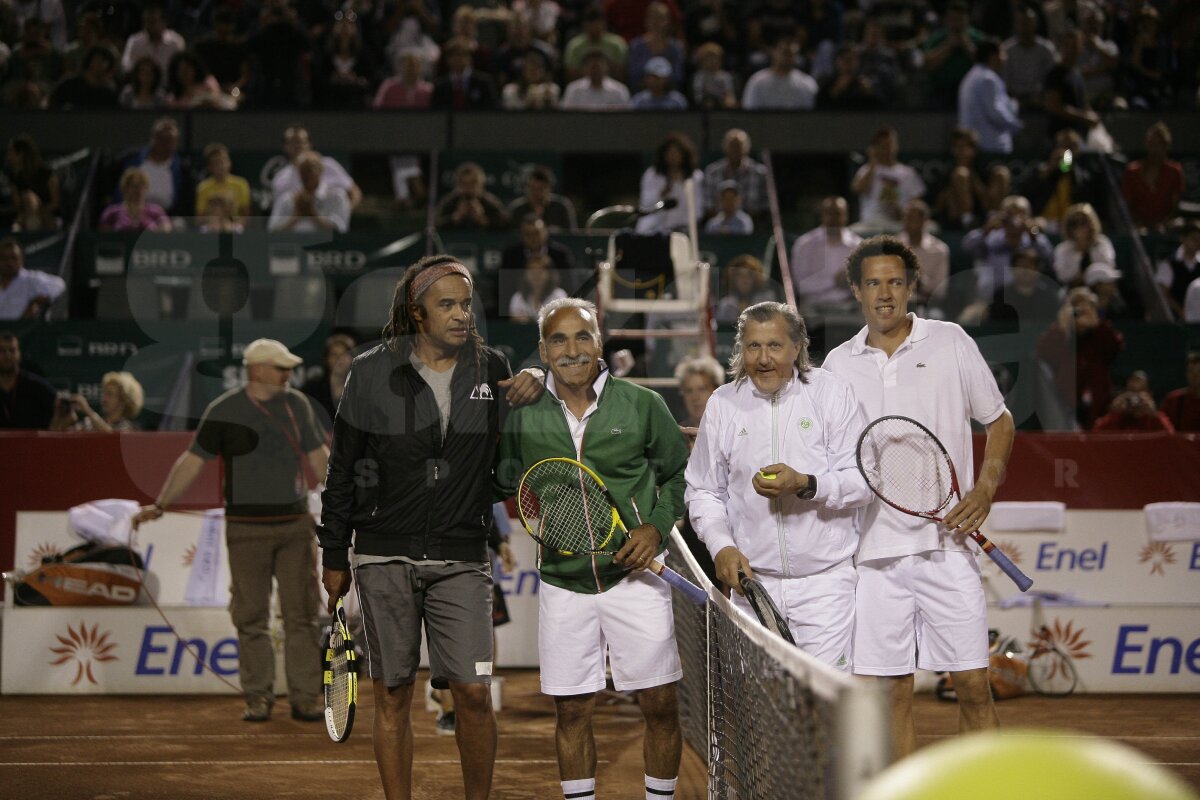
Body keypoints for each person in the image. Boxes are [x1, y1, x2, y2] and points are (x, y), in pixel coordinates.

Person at [318, 255, 544, 800]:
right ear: (417, 313)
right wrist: (333, 554)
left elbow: (509, 461)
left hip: (462, 555)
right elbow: (342, 468)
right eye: (447, 305)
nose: (462, 314)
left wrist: (540, 383)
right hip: (383, 555)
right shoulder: (370, 371)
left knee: (474, 694)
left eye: (466, 304)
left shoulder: (491, 367)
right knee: (393, 694)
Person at [822, 236, 1016, 761]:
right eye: (873, 283)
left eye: (894, 282)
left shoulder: (950, 340)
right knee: (892, 693)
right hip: (872, 555)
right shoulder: (836, 364)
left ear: (911, 287)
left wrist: (985, 488)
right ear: (856, 291)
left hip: (947, 547)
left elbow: (999, 420)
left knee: (972, 684)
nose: (884, 294)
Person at [495, 297, 689, 800]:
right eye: (558, 340)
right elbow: (501, 479)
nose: (572, 349)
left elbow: (679, 474)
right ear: (543, 351)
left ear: (600, 343)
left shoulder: (643, 404)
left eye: (583, 336)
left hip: (637, 578)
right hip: (563, 582)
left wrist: (656, 529)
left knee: (659, 703)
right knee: (572, 710)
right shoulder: (523, 414)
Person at [131, 339, 330, 723]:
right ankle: (258, 696)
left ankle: (305, 697)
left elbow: (319, 457)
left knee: (302, 615)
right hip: (246, 528)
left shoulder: (297, 405)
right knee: (251, 616)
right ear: (257, 370)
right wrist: (162, 503)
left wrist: (340, 498)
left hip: (294, 526)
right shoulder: (225, 410)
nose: (288, 375)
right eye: (281, 368)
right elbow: (192, 461)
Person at [687, 300, 870, 666]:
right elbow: (703, 491)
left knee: (823, 697)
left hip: (825, 585)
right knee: (762, 701)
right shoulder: (723, 403)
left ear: (797, 347)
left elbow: (863, 481)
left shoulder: (832, 393)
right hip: (752, 586)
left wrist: (806, 483)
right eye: (753, 346)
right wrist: (721, 546)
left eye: (774, 346)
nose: (763, 358)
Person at [1035, 286, 1125, 430]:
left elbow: (1114, 348)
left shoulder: (1101, 331)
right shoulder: (1059, 332)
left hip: (1097, 406)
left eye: (1086, 305)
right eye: (1075, 305)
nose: (1080, 310)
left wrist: (1097, 325)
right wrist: (1062, 327)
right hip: (1064, 407)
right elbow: (1043, 353)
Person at [961, 195, 1052, 304]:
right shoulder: (991, 238)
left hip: (1028, 298)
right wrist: (986, 229)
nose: (1014, 220)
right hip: (991, 299)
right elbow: (967, 247)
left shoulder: (1033, 239)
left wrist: (1032, 232)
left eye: (1020, 215)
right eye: (1009, 214)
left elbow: (1049, 256)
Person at [789, 196, 862, 309]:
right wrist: (834, 280)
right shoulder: (804, 245)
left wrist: (852, 281)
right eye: (829, 213)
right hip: (813, 308)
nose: (833, 218)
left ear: (846, 216)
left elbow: (865, 284)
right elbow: (800, 285)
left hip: (849, 307)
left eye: (838, 213)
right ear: (822, 215)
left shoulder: (858, 245)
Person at [270, 124, 362, 212]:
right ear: (285, 146)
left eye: (302, 142)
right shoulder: (280, 178)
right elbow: (279, 212)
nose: (298, 146)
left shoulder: (328, 165)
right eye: (293, 142)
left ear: (309, 144)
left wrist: (342, 215)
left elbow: (354, 192)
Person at [115, 117, 194, 219]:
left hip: (168, 218)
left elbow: (187, 204)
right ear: (153, 138)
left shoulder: (183, 169)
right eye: (161, 138)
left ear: (176, 142)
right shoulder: (130, 159)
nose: (164, 144)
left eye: (169, 139)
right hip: (129, 214)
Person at [850, 126, 925, 231]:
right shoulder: (867, 170)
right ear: (876, 148)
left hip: (900, 224)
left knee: (932, 228)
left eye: (891, 144)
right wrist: (872, 161)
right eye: (884, 145)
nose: (888, 149)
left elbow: (917, 202)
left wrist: (902, 213)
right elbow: (857, 189)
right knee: (852, 231)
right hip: (871, 224)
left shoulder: (908, 172)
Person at [957, 37, 1022, 154]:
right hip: (990, 146)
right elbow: (995, 113)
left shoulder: (973, 76)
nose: (1005, 58)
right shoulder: (987, 79)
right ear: (993, 56)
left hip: (979, 145)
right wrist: (1016, 125)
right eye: (1002, 53)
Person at [1120, 121, 1184, 234]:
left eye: (1160, 144)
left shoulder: (1174, 171)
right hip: (1137, 227)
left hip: (1165, 226)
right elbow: (1126, 205)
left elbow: (1175, 207)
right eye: (1152, 143)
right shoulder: (1132, 171)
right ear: (1147, 144)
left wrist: (1163, 224)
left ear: (1166, 146)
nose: (1156, 148)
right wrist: (1138, 225)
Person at [635, 132, 704, 235]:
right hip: (653, 229)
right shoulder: (652, 174)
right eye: (670, 153)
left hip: (683, 230)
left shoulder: (695, 176)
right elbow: (645, 204)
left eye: (676, 153)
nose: (673, 156)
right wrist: (660, 194)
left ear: (684, 155)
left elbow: (697, 209)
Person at [268, 152, 351, 233]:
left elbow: (341, 231)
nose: (307, 175)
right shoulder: (287, 199)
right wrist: (295, 217)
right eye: (303, 170)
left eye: (311, 169)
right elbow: (272, 231)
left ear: (321, 170)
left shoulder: (336, 197)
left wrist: (313, 215)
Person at [898, 199, 950, 315]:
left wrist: (920, 279)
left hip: (927, 305)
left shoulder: (939, 250)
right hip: (897, 303)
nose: (907, 223)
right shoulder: (894, 246)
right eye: (905, 218)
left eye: (912, 219)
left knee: (935, 315)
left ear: (924, 221)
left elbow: (940, 291)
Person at [703, 129, 768, 220]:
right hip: (719, 226)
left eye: (739, 146)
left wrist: (744, 221)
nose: (735, 150)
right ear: (724, 147)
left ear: (747, 148)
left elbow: (764, 206)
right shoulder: (712, 172)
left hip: (753, 225)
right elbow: (708, 206)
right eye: (732, 146)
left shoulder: (760, 172)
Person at [300, 332, 357, 436]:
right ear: (326, 359)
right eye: (334, 354)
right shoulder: (312, 389)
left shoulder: (360, 390)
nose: (339, 360)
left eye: (344, 355)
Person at [741, 34, 818, 110]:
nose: (789, 57)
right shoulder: (757, 81)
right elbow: (749, 112)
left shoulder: (807, 83)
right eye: (785, 52)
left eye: (793, 54)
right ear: (773, 52)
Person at [49, 370, 143, 432]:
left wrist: (87, 410)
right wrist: (58, 416)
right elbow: (56, 441)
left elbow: (112, 438)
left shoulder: (129, 428)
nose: (104, 398)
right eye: (104, 393)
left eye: (110, 394)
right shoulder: (89, 423)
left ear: (123, 400)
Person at [5, 134, 62, 232]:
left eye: (11, 153)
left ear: (21, 154)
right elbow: (18, 206)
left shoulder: (47, 174)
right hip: (25, 218)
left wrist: (38, 210)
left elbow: (55, 204)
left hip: (49, 217)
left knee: (29, 197)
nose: (8, 157)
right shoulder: (15, 178)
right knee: (17, 225)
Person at [0, 330, 55, 429]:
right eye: (2, 351)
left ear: (19, 354)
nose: (7, 356)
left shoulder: (37, 387)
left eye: (12, 350)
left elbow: (60, 412)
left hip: (32, 438)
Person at [0, 237, 64, 321]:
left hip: (22, 327)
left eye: (13, 258)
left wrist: (38, 300)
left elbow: (59, 284)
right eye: (4, 258)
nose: (9, 262)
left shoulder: (31, 279)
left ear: (21, 260)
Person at [1052, 203, 1115, 286]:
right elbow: (1062, 276)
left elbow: (1109, 267)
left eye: (1084, 222)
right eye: (1074, 223)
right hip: (1073, 288)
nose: (1079, 227)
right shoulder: (1063, 249)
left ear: (1092, 223)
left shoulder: (1102, 242)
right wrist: (1078, 253)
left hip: (1101, 286)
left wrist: (1091, 249)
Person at [436, 162, 511, 231]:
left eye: (473, 183)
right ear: (457, 184)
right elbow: (435, 224)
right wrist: (455, 218)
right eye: (464, 184)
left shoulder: (490, 201)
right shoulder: (449, 202)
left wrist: (483, 219)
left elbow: (507, 224)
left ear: (480, 184)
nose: (468, 188)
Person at [120, 2, 185, 80]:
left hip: (169, 84)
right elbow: (126, 66)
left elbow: (181, 69)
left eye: (152, 22)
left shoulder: (175, 42)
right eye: (145, 22)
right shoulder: (135, 41)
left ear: (164, 22)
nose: (148, 26)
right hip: (142, 84)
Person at [431, 37, 497, 111]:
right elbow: (436, 111)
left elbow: (492, 108)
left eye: (462, 55)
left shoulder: (483, 82)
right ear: (447, 59)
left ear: (470, 58)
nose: (458, 59)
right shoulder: (440, 85)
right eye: (454, 55)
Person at [507, 166, 578, 232]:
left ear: (550, 188)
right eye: (532, 188)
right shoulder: (517, 209)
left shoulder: (561, 207)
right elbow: (511, 235)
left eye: (541, 189)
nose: (536, 193)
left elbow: (572, 234)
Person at [100, 168, 172, 233]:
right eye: (134, 186)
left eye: (142, 186)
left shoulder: (156, 211)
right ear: (124, 188)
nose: (139, 190)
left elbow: (165, 232)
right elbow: (104, 238)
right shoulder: (111, 212)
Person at [715, 254, 777, 325]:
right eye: (739, 275)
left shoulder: (767, 301)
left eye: (749, 275)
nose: (744, 280)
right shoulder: (726, 305)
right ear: (732, 279)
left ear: (756, 278)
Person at [1156, 221, 1200, 321]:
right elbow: (1163, 294)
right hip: (1174, 321)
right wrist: (1181, 312)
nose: (1197, 243)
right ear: (1183, 239)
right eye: (1194, 239)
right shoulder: (1169, 264)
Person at [501, 214, 576, 273]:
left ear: (546, 233)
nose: (532, 238)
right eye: (527, 234)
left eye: (537, 233)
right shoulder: (510, 255)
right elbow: (503, 285)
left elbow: (570, 284)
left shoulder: (560, 255)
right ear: (521, 236)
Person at [560, 48, 631, 110]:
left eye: (599, 66)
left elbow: (626, 117)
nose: (595, 70)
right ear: (585, 68)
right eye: (592, 67)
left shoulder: (619, 90)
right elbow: (566, 115)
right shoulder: (574, 89)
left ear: (607, 67)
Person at [196, 143, 251, 222]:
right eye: (216, 162)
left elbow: (245, 214)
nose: (222, 165)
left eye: (224, 160)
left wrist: (235, 226)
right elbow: (200, 218)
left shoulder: (241, 184)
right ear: (209, 167)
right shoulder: (202, 188)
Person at [508, 254, 567, 322]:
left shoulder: (559, 295)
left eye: (540, 270)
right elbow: (513, 323)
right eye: (532, 270)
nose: (536, 274)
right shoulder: (518, 298)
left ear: (549, 274)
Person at [1092, 389, 1174, 433]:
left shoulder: (1153, 419)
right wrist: (1114, 413)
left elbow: (1170, 437)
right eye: (1130, 395)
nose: (1134, 401)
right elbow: (1096, 436)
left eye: (1139, 396)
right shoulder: (1116, 418)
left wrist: (1153, 414)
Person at [1160, 351, 1200, 432]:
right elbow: (1162, 430)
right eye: (1191, 371)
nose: (1195, 376)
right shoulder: (1174, 400)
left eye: (1199, 371)